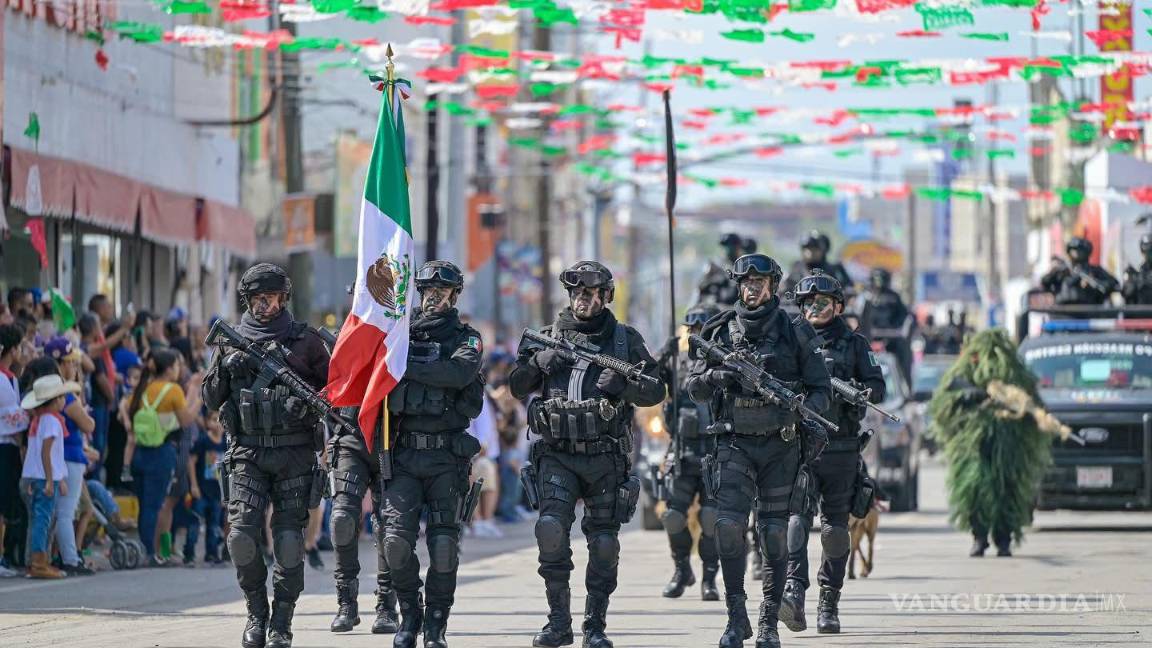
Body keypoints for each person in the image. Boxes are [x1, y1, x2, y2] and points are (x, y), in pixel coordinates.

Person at [510, 261, 665, 648]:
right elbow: (514, 387)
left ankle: (594, 626)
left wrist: (625, 387)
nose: (583, 299)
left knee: (604, 543)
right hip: (557, 454)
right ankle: (558, 622)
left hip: (604, 456)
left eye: (591, 293)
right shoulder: (546, 337)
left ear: (605, 296)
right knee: (550, 530)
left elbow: (657, 388)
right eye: (577, 292)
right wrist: (536, 366)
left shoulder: (624, 340)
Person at [686, 253, 832, 648]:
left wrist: (797, 406)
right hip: (732, 442)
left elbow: (822, 391)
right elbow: (693, 386)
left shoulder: (795, 330)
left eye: (761, 282)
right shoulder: (718, 330)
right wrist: (719, 376)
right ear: (739, 285)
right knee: (728, 528)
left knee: (772, 533)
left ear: (773, 286)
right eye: (747, 281)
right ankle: (737, 619)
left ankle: (768, 621)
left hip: (779, 444)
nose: (753, 288)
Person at [202, 263, 330, 648]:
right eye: (257, 299)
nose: (263, 305)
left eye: (270, 298)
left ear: (283, 298)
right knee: (240, 537)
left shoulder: (305, 341)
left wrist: (304, 406)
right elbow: (210, 399)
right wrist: (225, 368)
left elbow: (332, 393)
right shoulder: (231, 339)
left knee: (289, 544)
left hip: (294, 452)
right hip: (247, 452)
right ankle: (256, 613)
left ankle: (282, 622)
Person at [372, 260, 486, 648]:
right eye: (427, 291)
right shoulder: (398, 334)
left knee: (443, 549)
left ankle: (436, 624)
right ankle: (410, 615)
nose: (434, 297)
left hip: (446, 460)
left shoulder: (466, 338)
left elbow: (457, 375)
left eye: (442, 291)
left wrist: (403, 366)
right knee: (396, 543)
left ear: (455, 295)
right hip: (403, 456)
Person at [780, 274, 885, 635]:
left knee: (835, 531)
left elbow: (878, 386)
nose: (814, 308)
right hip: (799, 444)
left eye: (822, 302)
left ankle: (829, 602)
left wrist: (859, 390)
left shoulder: (854, 344)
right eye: (808, 302)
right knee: (795, 521)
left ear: (838, 306)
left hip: (840, 448)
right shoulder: (790, 340)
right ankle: (793, 593)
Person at [928, 330, 1068, 557]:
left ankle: (1004, 539)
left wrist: (1030, 413)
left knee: (1007, 492)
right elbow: (945, 405)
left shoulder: (1015, 376)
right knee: (974, 490)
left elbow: (1033, 407)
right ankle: (979, 537)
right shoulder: (964, 373)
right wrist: (968, 398)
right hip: (973, 446)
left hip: (1009, 445)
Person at [656, 304, 722, 602]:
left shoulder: (726, 363)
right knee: (672, 516)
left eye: (702, 329)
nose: (697, 335)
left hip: (715, 453)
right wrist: (662, 356)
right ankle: (682, 568)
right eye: (692, 329)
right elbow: (648, 382)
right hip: (683, 451)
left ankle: (710, 576)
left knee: (711, 517)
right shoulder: (678, 363)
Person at [128, 349, 202, 566]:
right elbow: (186, 420)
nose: (178, 369)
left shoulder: (145, 389)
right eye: (176, 366)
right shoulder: (172, 390)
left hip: (140, 452)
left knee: (145, 505)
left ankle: (146, 548)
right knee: (156, 504)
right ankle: (151, 553)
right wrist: (198, 400)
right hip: (161, 453)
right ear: (169, 368)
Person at [42, 340, 99, 575]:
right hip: (70, 458)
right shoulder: (63, 394)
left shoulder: (48, 391)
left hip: (63, 457)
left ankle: (56, 557)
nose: (74, 366)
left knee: (58, 513)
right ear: (60, 364)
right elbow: (88, 424)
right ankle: (70, 559)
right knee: (65, 513)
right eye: (70, 362)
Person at [20, 375, 82, 579]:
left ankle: (35, 561)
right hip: (42, 477)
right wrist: (49, 479)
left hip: (34, 475)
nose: (65, 401)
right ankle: (39, 564)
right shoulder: (52, 421)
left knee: (37, 520)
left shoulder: (40, 419)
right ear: (54, 401)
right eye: (62, 397)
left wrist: (59, 477)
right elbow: (46, 452)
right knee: (42, 521)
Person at [0, 324, 30, 574]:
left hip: (11, 447)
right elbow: (13, 415)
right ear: (11, 349)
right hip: (3, 445)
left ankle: (7, 554)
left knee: (9, 501)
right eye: (19, 346)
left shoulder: (12, 378)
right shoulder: (1, 379)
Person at [185, 410, 228, 566]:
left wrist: (226, 494)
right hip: (202, 490)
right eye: (214, 420)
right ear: (207, 422)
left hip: (217, 493)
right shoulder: (203, 441)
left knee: (214, 525)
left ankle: (212, 554)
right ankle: (189, 554)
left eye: (220, 420)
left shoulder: (226, 444)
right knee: (195, 522)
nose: (217, 423)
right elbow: (191, 462)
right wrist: (194, 485)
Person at [1039, 237, 1119, 306]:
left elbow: (1114, 284)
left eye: (1080, 250)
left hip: (1089, 314)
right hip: (1061, 314)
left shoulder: (1094, 271)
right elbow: (1044, 282)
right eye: (1074, 250)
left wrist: (1092, 283)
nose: (1077, 253)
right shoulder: (1061, 270)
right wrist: (1057, 273)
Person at [782, 231, 853, 297]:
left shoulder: (835, 269)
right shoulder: (796, 268)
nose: (809, 253)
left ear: (824, 250)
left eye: (814, 249)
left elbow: (849, 289)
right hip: (798, 307)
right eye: (806, 248)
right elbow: (785, 289)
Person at [698, 233, 751, 308]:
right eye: (726, 245)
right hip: (719, 307)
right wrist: (715, 280)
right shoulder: (715, 265)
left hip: (741, 307)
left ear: (739, 246)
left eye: (732, 245)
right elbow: (701, 287)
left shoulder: (746, 264)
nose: (728, 248)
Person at [1121, 233, 1152, 305]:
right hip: (1140, 313)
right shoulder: (1136, 272)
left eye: (1150, 250)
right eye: (1146, 251)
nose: (1148, 254)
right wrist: (1136, 282)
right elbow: (1126, 292)